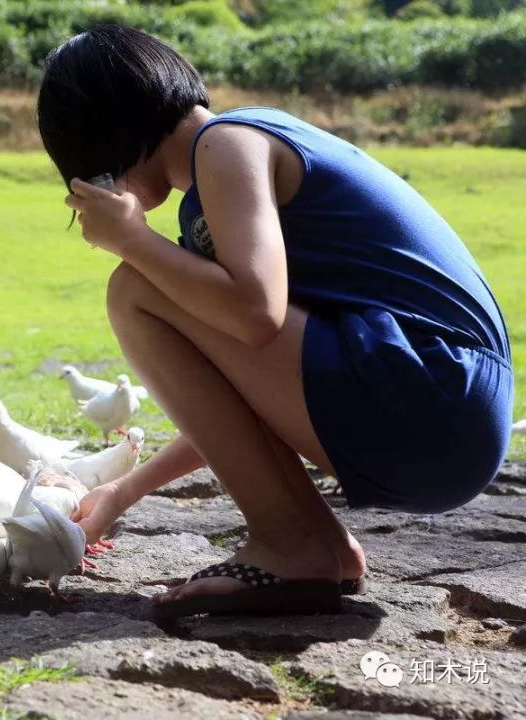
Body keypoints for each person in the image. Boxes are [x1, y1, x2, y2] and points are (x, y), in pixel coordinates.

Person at [39, 25, 514, 617]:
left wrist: (133, 241)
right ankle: (319, 549)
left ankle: (292, 544)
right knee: (155, 286)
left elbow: (256, 316)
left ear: (106, 137)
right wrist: (126, 489)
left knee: (135, 290)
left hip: (436, 396)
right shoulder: (216, 182)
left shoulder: (227, 143)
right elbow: (248, 391)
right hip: (442, 416)